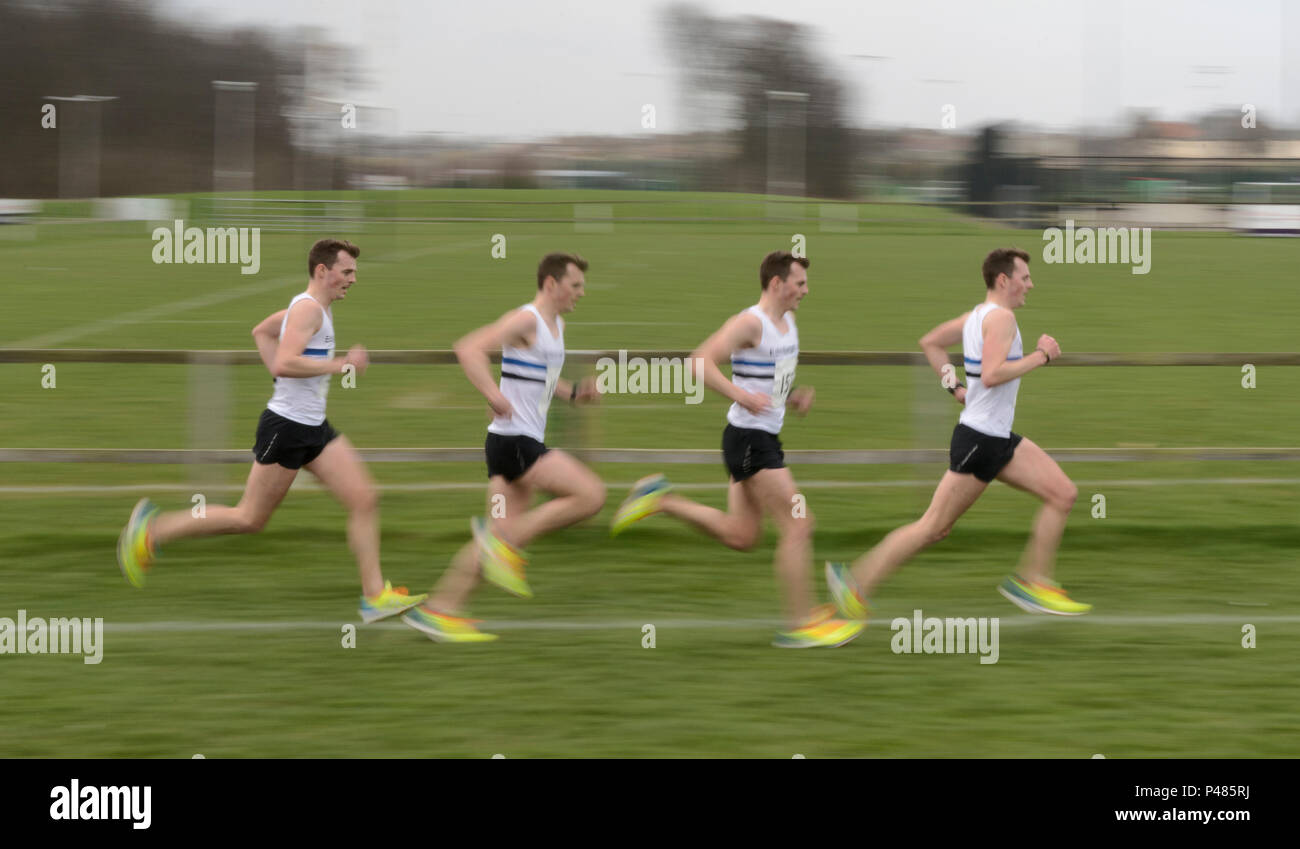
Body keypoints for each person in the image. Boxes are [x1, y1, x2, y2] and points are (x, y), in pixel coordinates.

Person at [116, 238, 425, 623]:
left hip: (313, 428)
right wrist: (341, 365)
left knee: (364, 498)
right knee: (249, 518)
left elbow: (261, 332)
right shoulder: (309, 311)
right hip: (287, 430)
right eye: (347, 272)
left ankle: (375, 597)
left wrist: (288, 385)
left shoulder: (307, 308)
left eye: (355, 273)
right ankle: (151, 531)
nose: (353, 279)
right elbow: (285, 361)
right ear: (322, 271)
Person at [610, 250, 864, 648]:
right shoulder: (750, 322)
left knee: (742, 536)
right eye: (800, 283)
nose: (806, 291)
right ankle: (803, 623)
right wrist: (740, 395)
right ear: (777, 284)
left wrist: (791, 396)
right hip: (750, 440)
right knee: (799, 524)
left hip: (754, 436)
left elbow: (767, 380)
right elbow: (698, 362)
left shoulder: (788, 323)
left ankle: (661, 500)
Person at [824, 247, 1090, 622]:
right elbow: (994, 374)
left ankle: (1033, 581)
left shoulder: (975, 317)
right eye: (1025, 277)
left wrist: (956, 388)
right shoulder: (1001, 319)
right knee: (933, 527)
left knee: (1063, 493)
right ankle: (855, 582)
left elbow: (930, 343)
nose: (1031, 284)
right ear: (1004, 280)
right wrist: (1041, 355)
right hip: (980, 441)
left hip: (996, 438)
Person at [402, 252, 604, 643]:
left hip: (513, 441)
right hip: (515, 441)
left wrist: (574, 393)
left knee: (500, 532)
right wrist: (493, 394)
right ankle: (500, 546)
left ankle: (439, 612)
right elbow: (469, 348)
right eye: (575, 285)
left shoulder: (554, 324)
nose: (581, 292)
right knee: (590, 494)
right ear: (551, 284)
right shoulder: (526, 318)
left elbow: (538, 376)